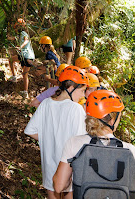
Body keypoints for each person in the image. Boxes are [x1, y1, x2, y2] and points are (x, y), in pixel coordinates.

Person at [53, 90, 135, 198]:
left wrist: (71, 182)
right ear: (112, 121)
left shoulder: (74, 143)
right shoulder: (130, 150)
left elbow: (58, 186)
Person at [24, 66, 90, 199]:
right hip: (69, 168)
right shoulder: (76, 109)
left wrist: (48, 139)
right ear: (71, 88)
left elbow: (30, 131)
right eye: (82, 91)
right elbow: (81, 143)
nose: (83, 95)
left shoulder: (46, 103)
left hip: (49, 166)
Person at [7, 18, 35, 99]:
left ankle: (14, 76)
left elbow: (26, 40)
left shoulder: (23, 33)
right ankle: (25, 92)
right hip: (30, 57)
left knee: (11, 60)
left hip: (25, 55)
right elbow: (11, 38)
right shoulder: (20, 35)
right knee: (25, 74)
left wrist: (20, 47)